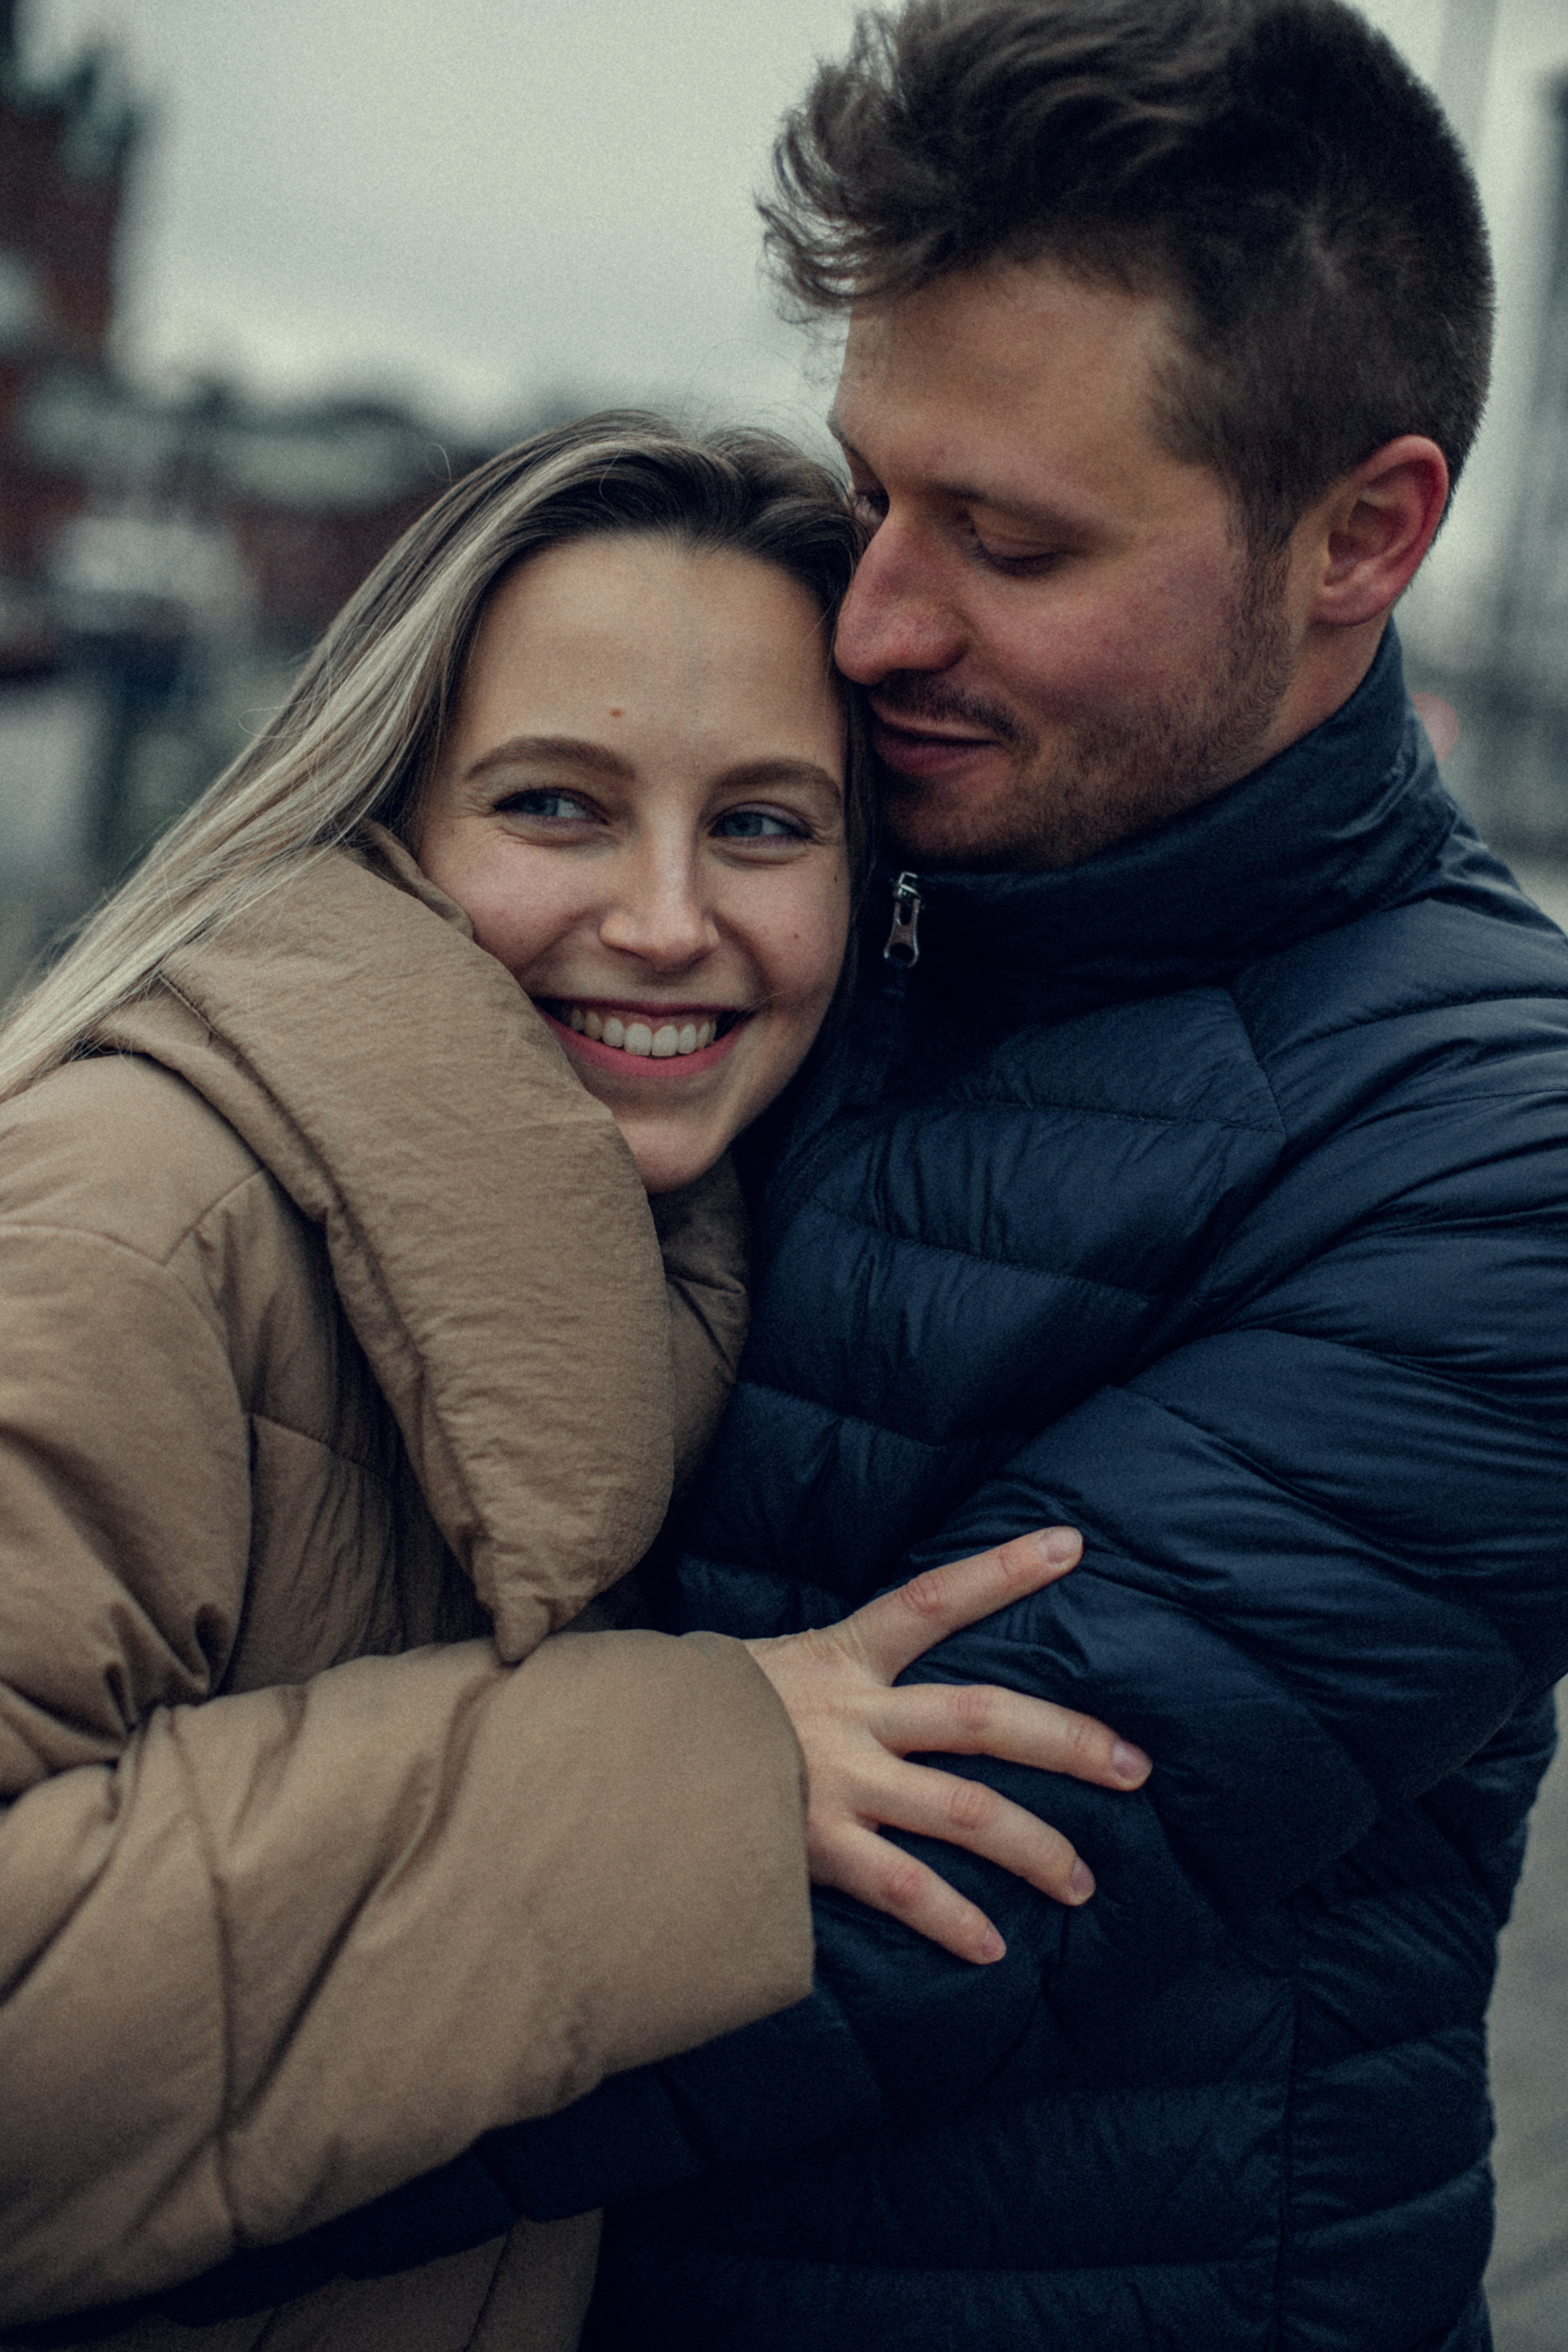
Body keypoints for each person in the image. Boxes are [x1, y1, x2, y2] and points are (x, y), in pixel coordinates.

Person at [335, 7, 1562, 2350]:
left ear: (1363, 536)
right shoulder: (787, 906)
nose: (873, 620)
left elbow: (855, 1932)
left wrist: (75, 2089)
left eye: (1007, 542)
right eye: (870, 489)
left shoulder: (1495, 1152)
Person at [0, 417, 1155, 2352]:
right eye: (554, 806)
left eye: (763, 826)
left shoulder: (706, 1254)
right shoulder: (133, 1218)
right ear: (384, 819)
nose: (667, 920)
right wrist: (704, 1776)